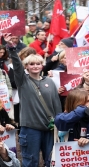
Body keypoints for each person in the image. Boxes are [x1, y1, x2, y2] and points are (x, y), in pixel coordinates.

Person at [5, 34, 62, 167]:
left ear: (42, 65)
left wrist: (59, 124)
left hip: (50, 128)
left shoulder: (49, 81)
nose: (35, 66)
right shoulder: (23, 81)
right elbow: (17, 66)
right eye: (31, 64)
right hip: (30, 129)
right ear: (26, 66)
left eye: (38, 64)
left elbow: (56, 104)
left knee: (51, 161)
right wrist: (12, 48)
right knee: (31, 161)